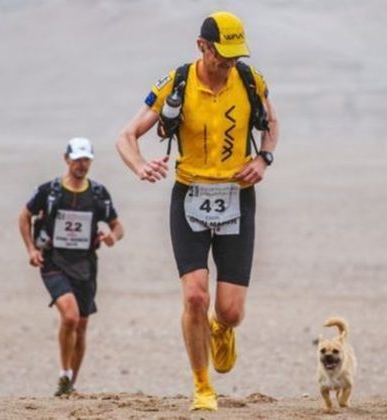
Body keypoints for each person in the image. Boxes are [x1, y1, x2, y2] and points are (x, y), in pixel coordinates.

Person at [116, 11, 279, 411]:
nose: (229, 64)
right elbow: (126, 135)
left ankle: (223, 329)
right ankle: (202, 386)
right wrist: (140, 165)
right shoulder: (178, 82)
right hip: (189, 196)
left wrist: (263, 159)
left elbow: (272, 122)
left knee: (231, 310)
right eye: (221, 55)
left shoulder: (249, 80)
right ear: (202, 46)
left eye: (235, 56)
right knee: (194, 297)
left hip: (237, 198)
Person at [19, 137, 124, 397]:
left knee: (82, 326)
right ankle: (64, 373)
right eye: (77, 158)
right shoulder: (49, 191)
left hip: (86, 265)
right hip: (54, 261)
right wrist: (31, 249)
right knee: (70, 316)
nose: (81, 164)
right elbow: (24, 216)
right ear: (66, 159)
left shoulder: (99, 194)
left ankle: (69, 386)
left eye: (86, 159)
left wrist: (112, 237)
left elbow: (117, 226)